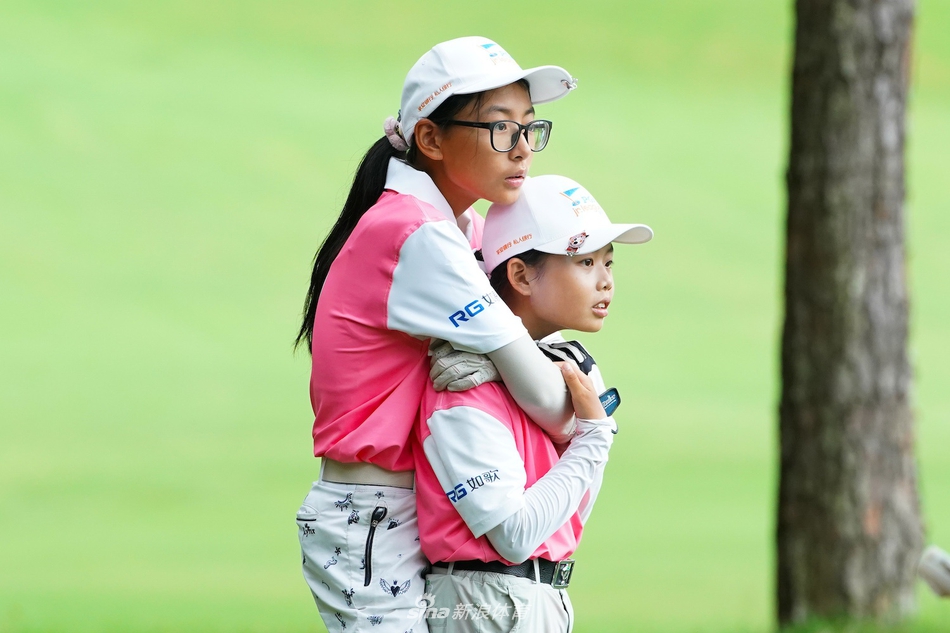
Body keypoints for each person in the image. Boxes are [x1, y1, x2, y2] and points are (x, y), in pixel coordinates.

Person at [294, 38, 579, 633]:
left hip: (420, 508)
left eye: (531, 128)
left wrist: (499, 362)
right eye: (501, 130)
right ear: (430, 139)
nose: (524, 149)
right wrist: (508, 365)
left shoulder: (458, 226)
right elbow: (555, 407)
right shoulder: (417, 235)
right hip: (372, 516)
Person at [413, 175, 653, 632]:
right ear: (521, 274)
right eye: (584, 262)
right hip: (480, 602)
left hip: (539, 600)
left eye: (609, 263)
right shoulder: (464, 384)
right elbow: (516, 535)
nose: (606, 283)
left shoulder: (562, 374)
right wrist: (594, 437)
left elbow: (572, 517)